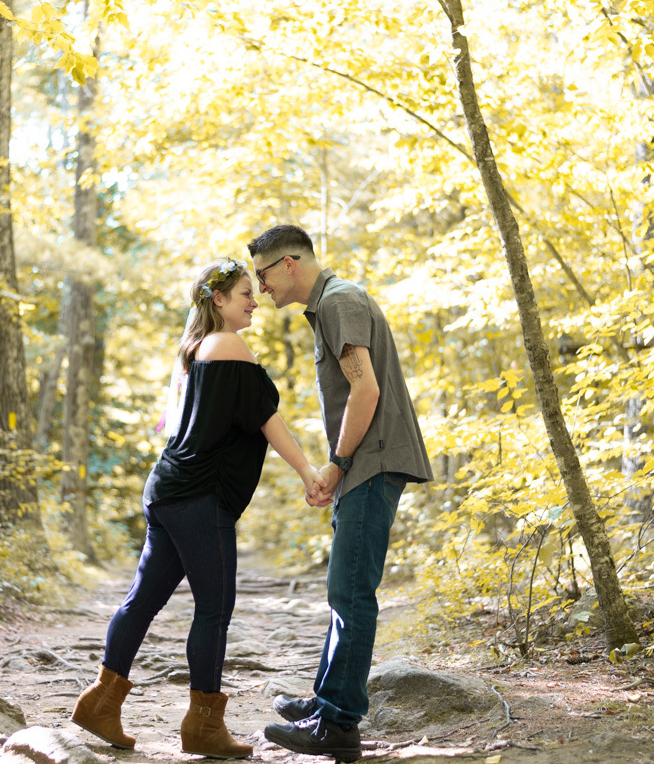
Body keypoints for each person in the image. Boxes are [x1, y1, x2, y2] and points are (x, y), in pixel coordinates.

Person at [71, 258, 326, 759]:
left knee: (143, 600)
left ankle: (101, 701)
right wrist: (310, 474)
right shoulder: (228, 345)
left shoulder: (192, 351)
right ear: (218, 300)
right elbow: (267, 420)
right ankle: (204, 725)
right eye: (245, 294)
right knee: (214, 607)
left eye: (255, 292)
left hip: (168, 490)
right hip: (197, 496)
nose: (255, 301)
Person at [248, 226, 434, 762]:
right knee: (343, 589)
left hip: (371, 463)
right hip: (364, 466)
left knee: (351, 594)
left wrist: (337, 462)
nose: (260, 290)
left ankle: (337, 724)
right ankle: (325, 704)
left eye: (262, 276)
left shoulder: (339, 302)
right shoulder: (332, 303)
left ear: (288, 264)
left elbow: (366, 388)